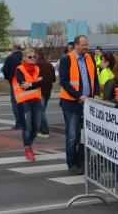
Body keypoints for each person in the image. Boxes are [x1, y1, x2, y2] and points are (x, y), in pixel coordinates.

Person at [59, 35, 100, 175]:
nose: (86, 47)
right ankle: (72, 164)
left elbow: (95, 77)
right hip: (71, 102)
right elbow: (64, 82)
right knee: (72, 135)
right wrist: (78, 95)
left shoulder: (90, 58)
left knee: (85, 134)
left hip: (87, 102)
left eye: (86, 44)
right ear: (76, 45)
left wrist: (96, 93)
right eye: (83, 44)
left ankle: (81, 161)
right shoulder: (66, 60)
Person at [14, 48, 43, 161]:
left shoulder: (37, 68)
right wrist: (36, 83)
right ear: (24, 58)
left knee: (37, 126)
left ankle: (29, 144)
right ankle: (28, 149)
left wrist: (30, 84)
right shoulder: (19, 69)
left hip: (36, 100)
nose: (32, 59)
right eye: (30, 57)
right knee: (27, 127)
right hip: (25, 101)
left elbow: (43, 82)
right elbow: (22, 85)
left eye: (34, 57)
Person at [3, 43, 25, 130]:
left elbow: (4, 70)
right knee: (25, 102)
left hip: (15, 83)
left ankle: (19, 122)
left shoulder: (10, 58)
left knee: (15, 103)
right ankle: (26, 122)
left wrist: (9, 79)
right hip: (26, 82)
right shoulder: (25, 57)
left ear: (15, 48)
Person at [36, 49, 55, 138]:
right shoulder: (50, 65)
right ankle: (40, 129)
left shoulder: (36, 66)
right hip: (48, 91)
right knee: (42, 110)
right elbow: (54, 79)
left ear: (38, 56)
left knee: (41, 111)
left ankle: (45, 130)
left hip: (40, 91)